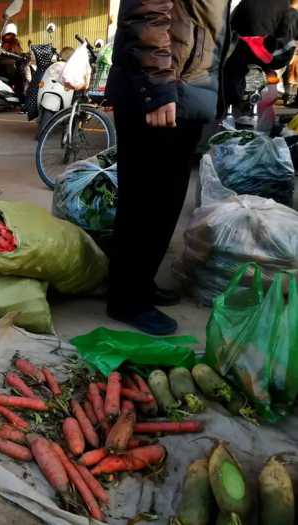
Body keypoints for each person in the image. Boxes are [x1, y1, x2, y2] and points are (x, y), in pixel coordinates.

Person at [105, 0, 231, 335]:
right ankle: (126, 298)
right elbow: (146, 13)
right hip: (162, 88)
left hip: (188, 87)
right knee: (145, 198)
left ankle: (140, 284)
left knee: (166, 200)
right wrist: (158, 85)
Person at [0, 23, 25, 99]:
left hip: (8, 72)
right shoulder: (10, 43)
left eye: (9, 34)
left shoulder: (8, 44)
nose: (7, 36)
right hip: (8, 71)